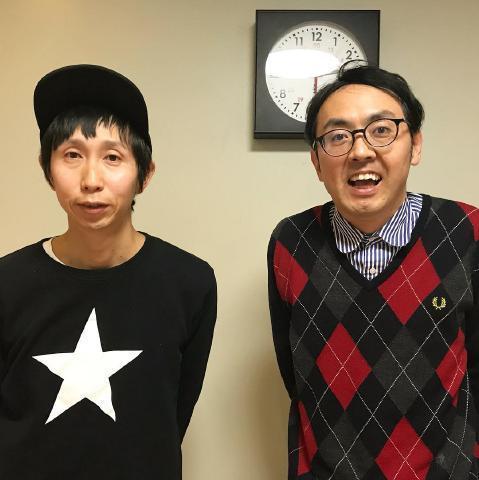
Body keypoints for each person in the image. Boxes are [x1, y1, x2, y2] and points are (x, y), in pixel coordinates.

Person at [0, 64, 217, 479]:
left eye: (113, 157)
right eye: (72, 155)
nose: (91, 180)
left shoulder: (190, 282)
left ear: (145, 174)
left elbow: (174, 410)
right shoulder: (7, 283)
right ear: (47, 169)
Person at [267, 63, 479, 479]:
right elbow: (295, 375)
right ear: (316, 161)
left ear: (415, 145)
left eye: (381, 130)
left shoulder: (465, 231)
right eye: (338, 136)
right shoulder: (290, 241)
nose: (360, 151)